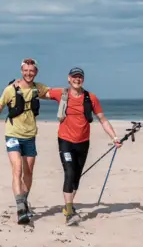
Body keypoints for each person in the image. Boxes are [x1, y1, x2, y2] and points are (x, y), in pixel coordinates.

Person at [46, 67, 122, 225]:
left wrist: (114, 137)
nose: (77, 79)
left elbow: (103, 119)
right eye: (74, 77)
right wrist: (19, 86)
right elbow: (41, 92)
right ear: (69, 78)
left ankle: (69, 206)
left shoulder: (91, 98)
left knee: (76, 178)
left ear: (83, 79)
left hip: (83, 142)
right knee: (69, 172)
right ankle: (68, 212)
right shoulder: (61, 93)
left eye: (80, 77)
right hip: (65, 140)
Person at [0, 58, 49, 225]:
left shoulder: (38, 88)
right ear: (21, 71)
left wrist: (73, 92)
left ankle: (23, 201)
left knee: (28, 173)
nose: (28, 73)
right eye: (26, 70)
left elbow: (54, 94)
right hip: (12, 134)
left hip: (30, 136)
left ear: (36, 72)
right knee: (17, 169)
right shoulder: (10, 90)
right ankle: (20, 209)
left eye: (31, 71)